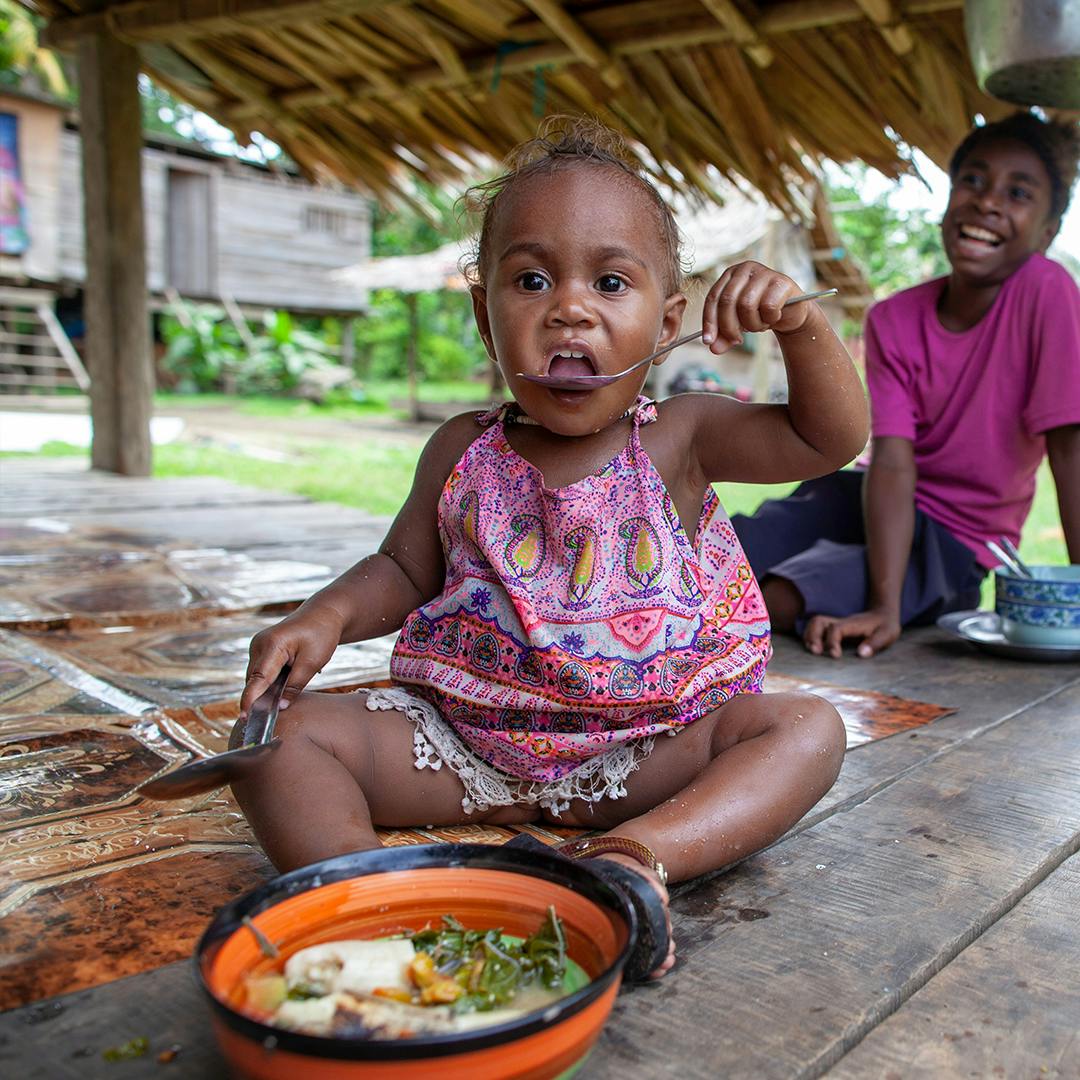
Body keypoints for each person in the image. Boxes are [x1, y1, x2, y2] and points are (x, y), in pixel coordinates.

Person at [231, 117, 869, 979]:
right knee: (277, 742)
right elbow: (404, 569)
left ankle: (631, 859)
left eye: (611, 282)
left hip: (644, 752)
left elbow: (825, 439)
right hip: (461, 750)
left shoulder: (681, 438)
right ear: (485, 318)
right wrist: (324, 617)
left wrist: (796, 324)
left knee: (807, 730)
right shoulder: (463, 450)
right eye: (531, 279)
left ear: (667, 319)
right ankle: (366, 891)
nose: (570, 308)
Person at [732, 112, 1080, 660]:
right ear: (948, 197)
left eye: (1018, 193)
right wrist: (885, 604)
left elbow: (1070, 448)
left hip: (953, 542)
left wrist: (884, 606)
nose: (988, 202)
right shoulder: (893, 318)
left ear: (1048, 231)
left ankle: (858, 591)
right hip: (872, 498)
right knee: (716, 553)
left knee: (773, 599)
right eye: (973, 180)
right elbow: (892, 463)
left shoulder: (1046, 290)